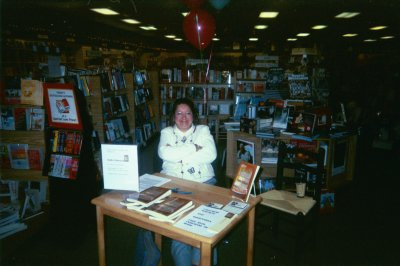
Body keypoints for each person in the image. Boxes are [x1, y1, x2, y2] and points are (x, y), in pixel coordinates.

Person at [158, 97, 218, 266]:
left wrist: (177, 154)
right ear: (173, 116)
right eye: (179, 113)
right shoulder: (167, 133)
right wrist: (194, 147)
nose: (183, 117)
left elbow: (211, 155)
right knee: (180, 233)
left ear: (194, 115)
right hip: (174, 185)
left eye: (188, 113)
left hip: (204, 184)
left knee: (205, 229)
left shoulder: (203, 130)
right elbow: (164, 154)